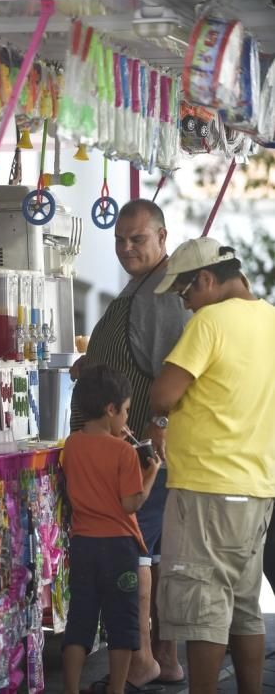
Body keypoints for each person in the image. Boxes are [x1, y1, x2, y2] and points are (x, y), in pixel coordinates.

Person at [70, 198, 189, 688]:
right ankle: (165, 657)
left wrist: (154, 433)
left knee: (134, 555)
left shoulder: (161, 294)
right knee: (156, 555)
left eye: (137, 238)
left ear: (163, 238)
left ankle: (141, 662)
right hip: (138, 449)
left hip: (139, 450)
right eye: (119, 239)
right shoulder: (140, 286)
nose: (125, 248)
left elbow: (167, 375)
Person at [150, 236, 275, 694]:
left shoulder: (211, 321)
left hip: (207, 488)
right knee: (243, 607)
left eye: (185, 294)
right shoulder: (270, 320)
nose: (185, 306)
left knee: (203, 608)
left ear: (206, 280)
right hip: (257, 488)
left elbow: (163, 393)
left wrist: (159, 420)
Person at [62, 364, 161, 694]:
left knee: (81, 620)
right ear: (111, 409)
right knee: (122, 621)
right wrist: (151, 474)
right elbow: (130, 504)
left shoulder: (71, 445)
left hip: (83, 545)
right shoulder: (123, 451)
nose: (127, 419)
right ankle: (116, 690)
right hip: (120, 548)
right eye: (126, 411)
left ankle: (71, 689)